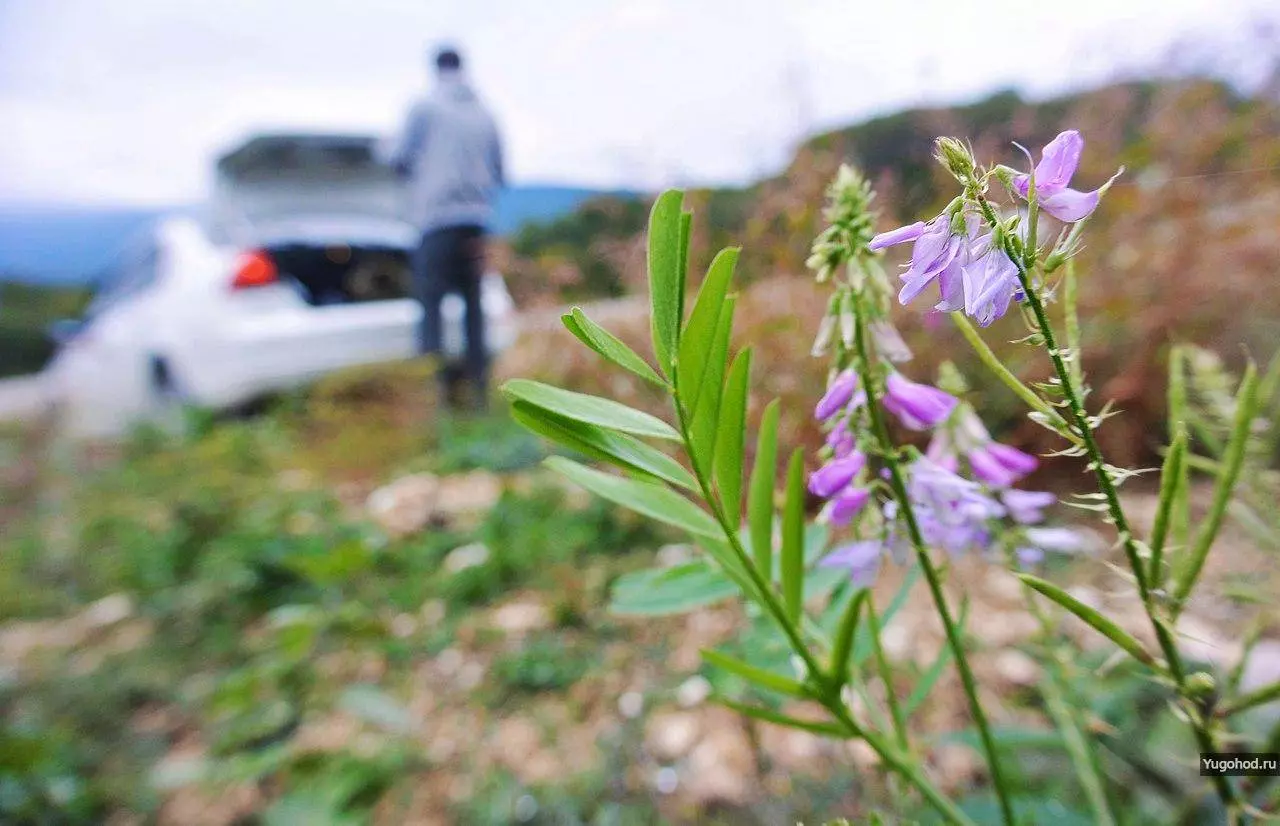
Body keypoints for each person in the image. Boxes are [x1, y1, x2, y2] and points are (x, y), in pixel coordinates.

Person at [391, 45, 504, 409]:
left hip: (436, 219)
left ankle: (437, 400)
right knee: (474, 310)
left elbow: (397, 157)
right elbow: (501, 171)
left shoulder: (424, 107)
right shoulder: (487, 113)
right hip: (475, 220)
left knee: (431, 308)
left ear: (435, 68)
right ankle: (479, 399)